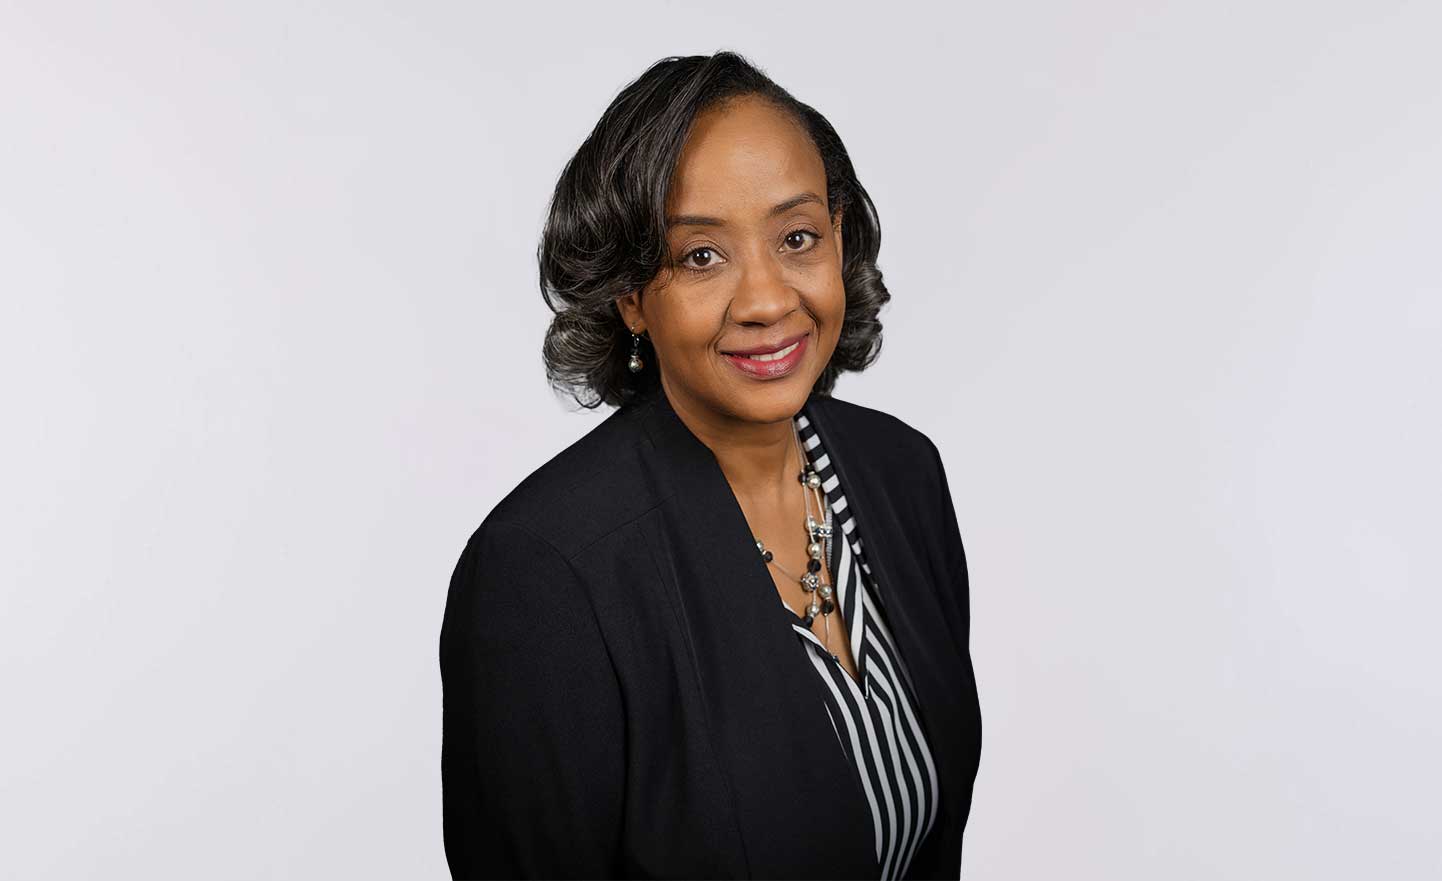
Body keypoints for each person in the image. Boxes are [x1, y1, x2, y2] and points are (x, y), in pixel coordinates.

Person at [440, 50, 981, 880]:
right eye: (701, 256)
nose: (767, 300)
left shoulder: (901, 474)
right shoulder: (543, 573)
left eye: (797, 237)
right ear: (628, 295)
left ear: (840, 240)